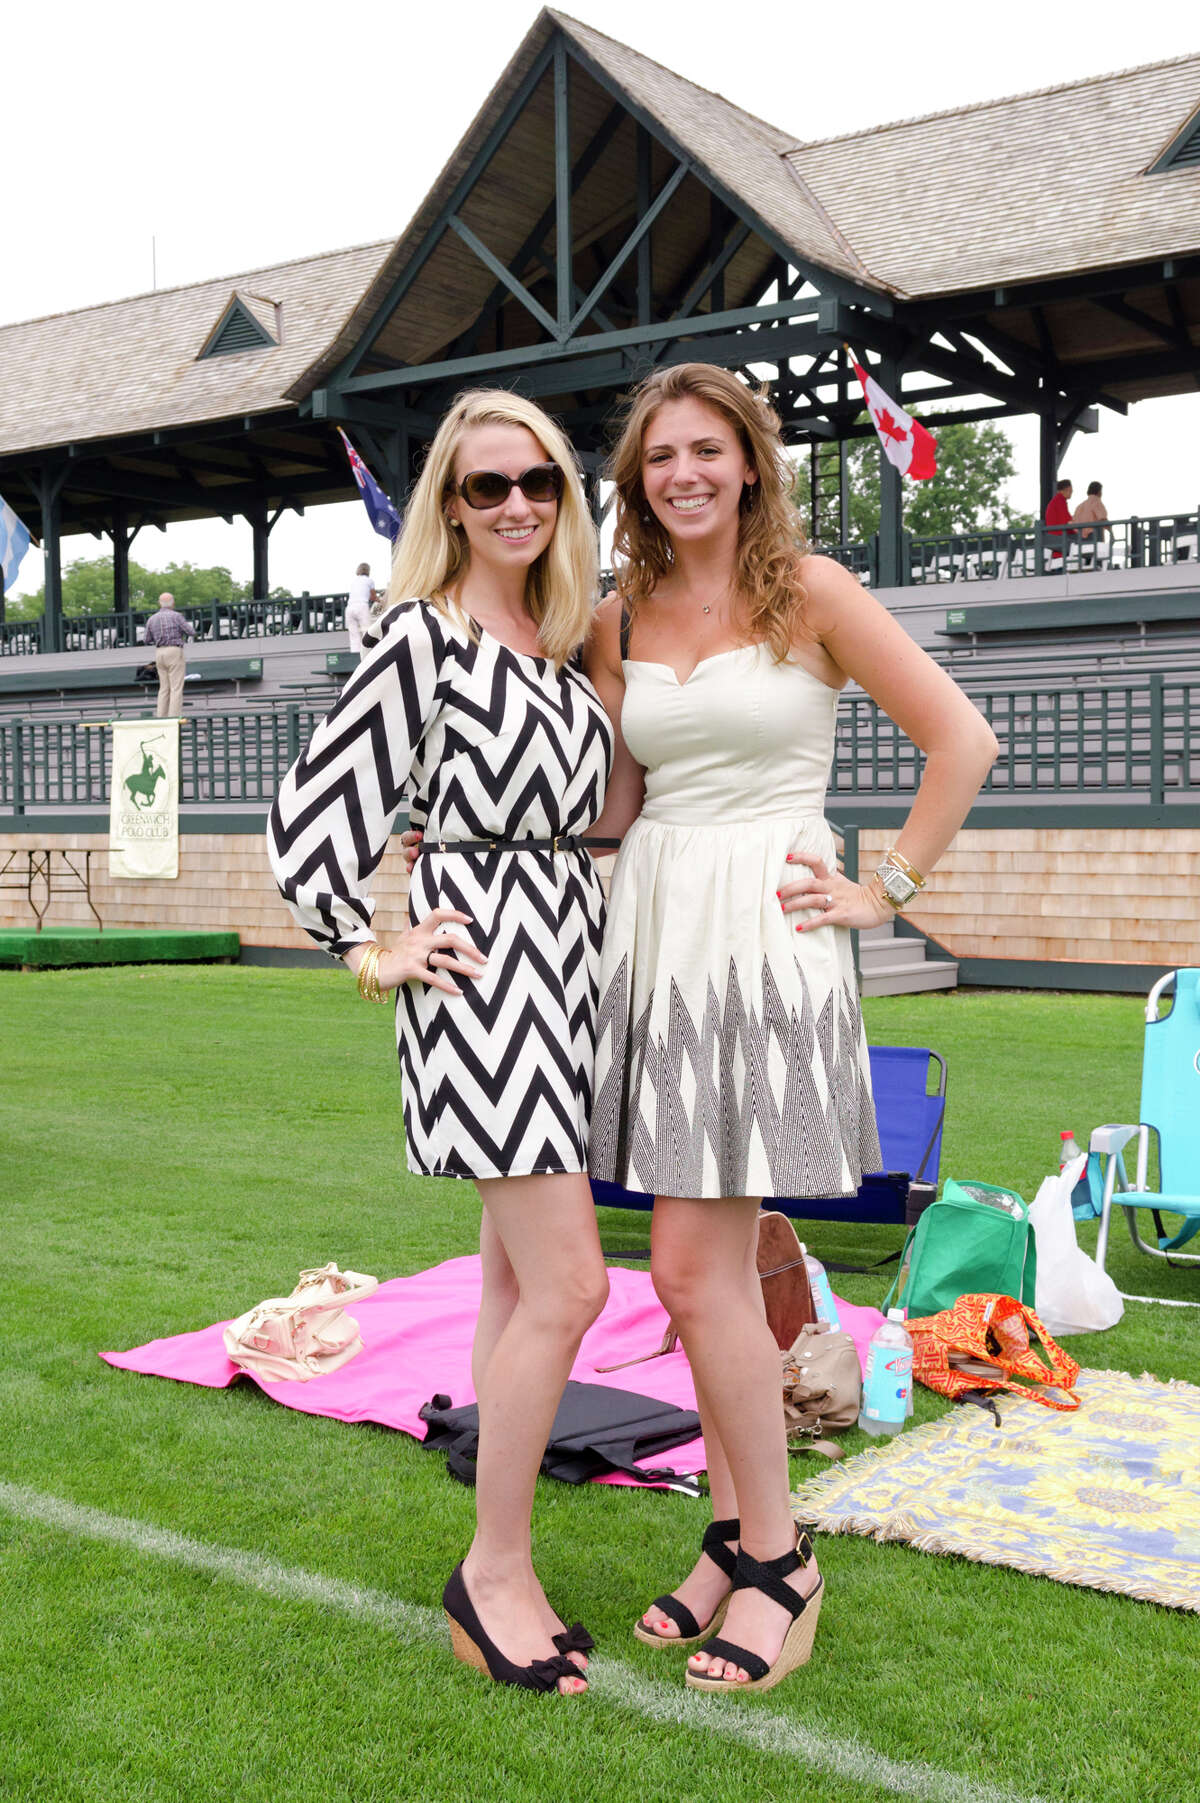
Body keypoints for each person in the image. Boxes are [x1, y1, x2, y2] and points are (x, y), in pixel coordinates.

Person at [582, 362, 998, 1695]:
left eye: (708, 449)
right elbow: (614, 803)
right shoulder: (616, 614)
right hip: (653, 938)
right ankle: (728, 1527)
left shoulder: (807, 593)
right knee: (691, 1275)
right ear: (637, 476)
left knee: (698, 1273)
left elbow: (962, 740)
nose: (684, 473)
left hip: (766, 943)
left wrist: (886, 890)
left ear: (749, 462)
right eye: (660, 456)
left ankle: (780, 1559)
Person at [268, 390, 614, 1699]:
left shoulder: (556, 637)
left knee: (517, 1286)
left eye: (537, 479)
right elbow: (313, 814)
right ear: (448, 506)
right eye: (485, 487)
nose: (516, 502)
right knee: (572, 1283)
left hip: (564, 965)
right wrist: (371, 945)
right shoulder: (422, 635)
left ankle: (506, 1544)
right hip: (484, 984)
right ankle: (492, 1567)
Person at [143, 591, 195, 716]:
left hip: (159, 652)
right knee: (176, 687)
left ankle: (161, 717)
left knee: (164, 688)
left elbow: (146, 640)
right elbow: (191, 631)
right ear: (173, 603)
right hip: (174, 650)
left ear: (159, 604)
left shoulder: (152, 618)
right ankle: (173, 717)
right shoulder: (176, 616)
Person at [345, 562, 376, 656]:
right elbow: (373, 597)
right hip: (361, 606)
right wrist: (381, 600)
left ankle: (355, 654)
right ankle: (368, 654)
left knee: (353, 634)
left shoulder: (354, 581)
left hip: (350, 607)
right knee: (366, 630)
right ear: (368, 571)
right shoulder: (369, 580)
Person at [1072, 481, 1109, 553]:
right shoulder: (1096, 501)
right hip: (1093, 537)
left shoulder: (1080, 506)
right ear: (1099, 492)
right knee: (1098, 559)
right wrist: (1111, 532)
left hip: (1078, 540)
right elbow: (1102, 519)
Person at [1045, 478, 1073, 565]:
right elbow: (1066, 522)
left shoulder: (1056, 501)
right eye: (1071, 491)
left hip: (1054, 540)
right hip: (1058, 543)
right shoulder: (1060, 501)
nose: (1071, 493)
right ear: (1066, 490)